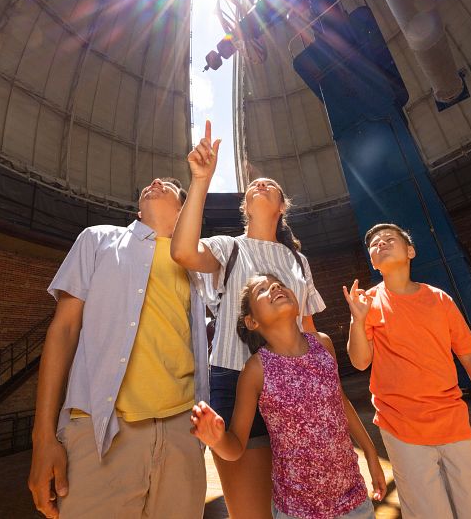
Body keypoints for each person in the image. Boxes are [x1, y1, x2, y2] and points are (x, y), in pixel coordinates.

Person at [27, 178, 209, 519]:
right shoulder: (96, 239)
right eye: (152, 183)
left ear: (184, 209)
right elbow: (63, 329)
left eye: (169, 186)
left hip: (182, 430)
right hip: (101, 431)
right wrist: (43, 438)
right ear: (138, 210)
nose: (156, 181)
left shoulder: (197, 263)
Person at [171, 121, 326, 518]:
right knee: (251, 510)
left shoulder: (297, 260)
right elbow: (184, 252)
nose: (260, 185)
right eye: (254, 185)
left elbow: (307, 329)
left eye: (270, 186)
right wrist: (200, 180)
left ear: (281, 207)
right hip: (233, 376)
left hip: (296, 386)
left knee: (308, 499)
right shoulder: (229, 247)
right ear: (245, 206)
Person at [345, 223, 471, 519]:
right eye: (374, 244)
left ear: (410, 251)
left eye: (390, 239)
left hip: (451, 419)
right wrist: (356, 321)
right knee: (427, 510)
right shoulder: (369, 303)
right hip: (400, 425)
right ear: (373, 262)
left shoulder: (439, 299)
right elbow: (360, 362)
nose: (381, 244)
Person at [191, 274, 387, 519]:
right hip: (297, 510)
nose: (274, 287)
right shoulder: (255, 370)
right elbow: (236, 448)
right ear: (252, 322)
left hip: (353, 500)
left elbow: (341, 403)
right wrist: (218, 440)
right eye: (262, 290)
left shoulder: (322, 344)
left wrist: (371, 454)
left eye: (279, 284)